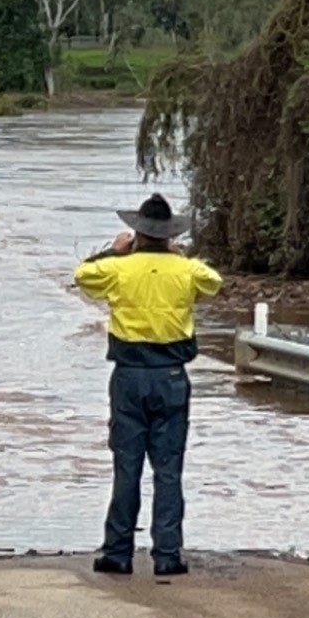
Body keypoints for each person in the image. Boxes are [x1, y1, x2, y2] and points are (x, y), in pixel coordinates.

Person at [74, 192, 222, 577]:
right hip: (172, 375)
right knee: (168, 468)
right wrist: (178, 257)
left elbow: (82, 276)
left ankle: (118, 552)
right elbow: (214, 282)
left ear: (137, 232)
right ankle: (167, 555)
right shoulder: (185, 270)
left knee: (127, 466)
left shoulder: (120, 268)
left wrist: (114, 252)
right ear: (170, 235)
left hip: (128, 374)